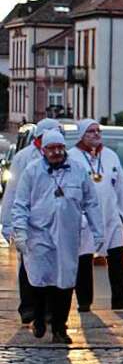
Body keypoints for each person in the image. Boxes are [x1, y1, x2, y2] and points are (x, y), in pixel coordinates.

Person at [10, 130, 103, 344]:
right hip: (39, 234)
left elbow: (91, 202)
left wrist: (98, 231)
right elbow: (20, 204)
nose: (57, 153)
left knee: (64, 281)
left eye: (60, 148)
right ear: (44, 150)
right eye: (52, 149)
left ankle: (60, 327)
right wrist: (21, 232)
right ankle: (40, 318)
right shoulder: (32, 172)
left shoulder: (78, 171)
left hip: (68, 235)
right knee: (40, 279)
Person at [68, 119, 123, 311]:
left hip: (110, 215)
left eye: (98, 131)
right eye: (91, 131)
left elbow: (121, 185)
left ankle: (120, 298)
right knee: (84, 260)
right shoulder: (72, 157)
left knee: (116, 256)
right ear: (82, 135)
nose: (96, 134)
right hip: (85, 218)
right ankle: (84, 301)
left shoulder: (110, 156)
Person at [1, 118, 61, 323]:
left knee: (52, 269)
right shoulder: (23, 158)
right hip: (30, 222)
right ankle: (28, 307)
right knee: (28, 266)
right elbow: (13, 192)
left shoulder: (63, 159)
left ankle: (49, 310)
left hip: (55, 223)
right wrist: (8, 223)